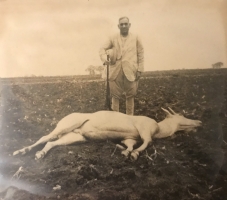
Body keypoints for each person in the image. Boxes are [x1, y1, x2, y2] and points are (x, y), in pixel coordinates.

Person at [99, 16, 144, 115]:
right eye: (121, 24)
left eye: (125, 24)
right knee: (115, 96)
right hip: (115, 70)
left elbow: (140, 53)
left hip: (131, 70)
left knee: (130, 96)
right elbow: (102, 49)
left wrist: (140, 69)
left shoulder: (136, 38)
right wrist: (104, 58)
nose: (124, 26)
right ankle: (116, 121)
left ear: (129, 25)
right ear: (118, 26)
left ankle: (130, 119)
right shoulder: (112, 38)